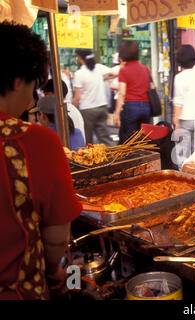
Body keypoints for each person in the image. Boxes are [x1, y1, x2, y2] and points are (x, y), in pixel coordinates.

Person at [0, 21, 81, 299]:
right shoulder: (35, 140)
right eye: (33, 88)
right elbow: (56, 238)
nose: (31, 103)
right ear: (18, 79)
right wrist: (56, 270)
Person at [173, 45, 195, 166]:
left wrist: (176, 122)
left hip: (185, 119)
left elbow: (178, 102)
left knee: (182, 152)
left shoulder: (179, 77)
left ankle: (184, 176)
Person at [114, 40, 152, 144]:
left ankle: (132, 159)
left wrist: (117, 113)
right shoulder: (146, 69)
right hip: (145, 107)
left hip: (131, 107)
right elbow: (152, 87)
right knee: (143, 138)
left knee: (129, 141)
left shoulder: (124, 70)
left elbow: (122, 93)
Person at [72, 49, 113, 146]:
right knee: (105, 138)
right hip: (102, 107)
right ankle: (113, 158)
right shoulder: (99, 68)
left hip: (87, 110)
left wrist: (72, 110)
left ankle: (90, 159)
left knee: (87, 139)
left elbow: (77, 97)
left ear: (79, 58)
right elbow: (114, 73)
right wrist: (101, 79)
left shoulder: (79, 73)